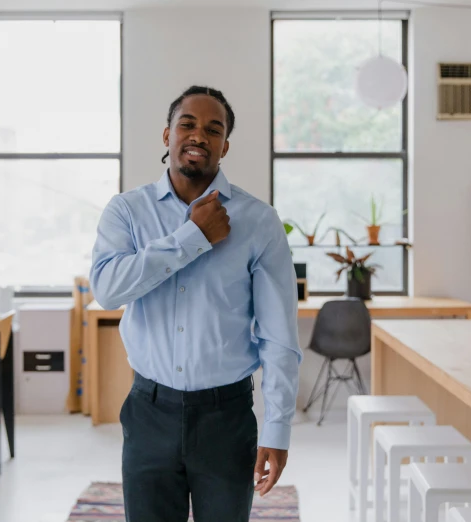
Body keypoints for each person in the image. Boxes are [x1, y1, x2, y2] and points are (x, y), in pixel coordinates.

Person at [90, 85, 301, 522]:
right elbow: (108, 290)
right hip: (149, 412)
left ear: (225, 146)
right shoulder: (127, 212)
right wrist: (193, 238)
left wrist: (277, 428)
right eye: (187, 124)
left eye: (213, 128)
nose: (198, 135)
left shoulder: (258, 221)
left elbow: (279, 334)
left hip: (227, 420)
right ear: (166, 135)